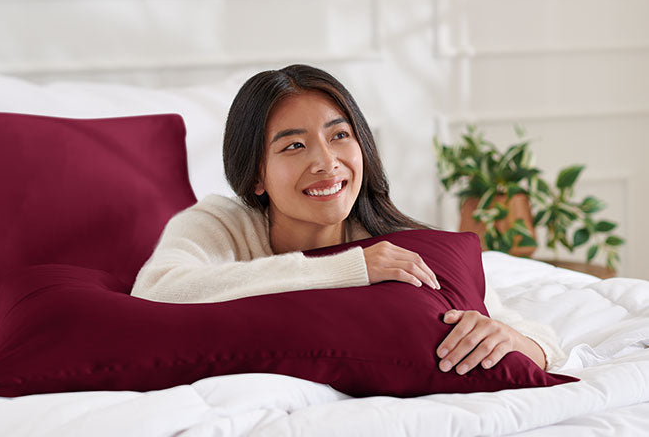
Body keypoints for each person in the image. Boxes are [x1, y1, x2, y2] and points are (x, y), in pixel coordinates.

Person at [131, 64, 566, 375]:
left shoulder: (397, 246)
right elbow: (157, 290)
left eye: (339, 135)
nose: (327, 162)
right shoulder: (221, 222)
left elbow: (540, 339)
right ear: (256, 174)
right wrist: (347, 269)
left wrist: (511, 340)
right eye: (294, 146)